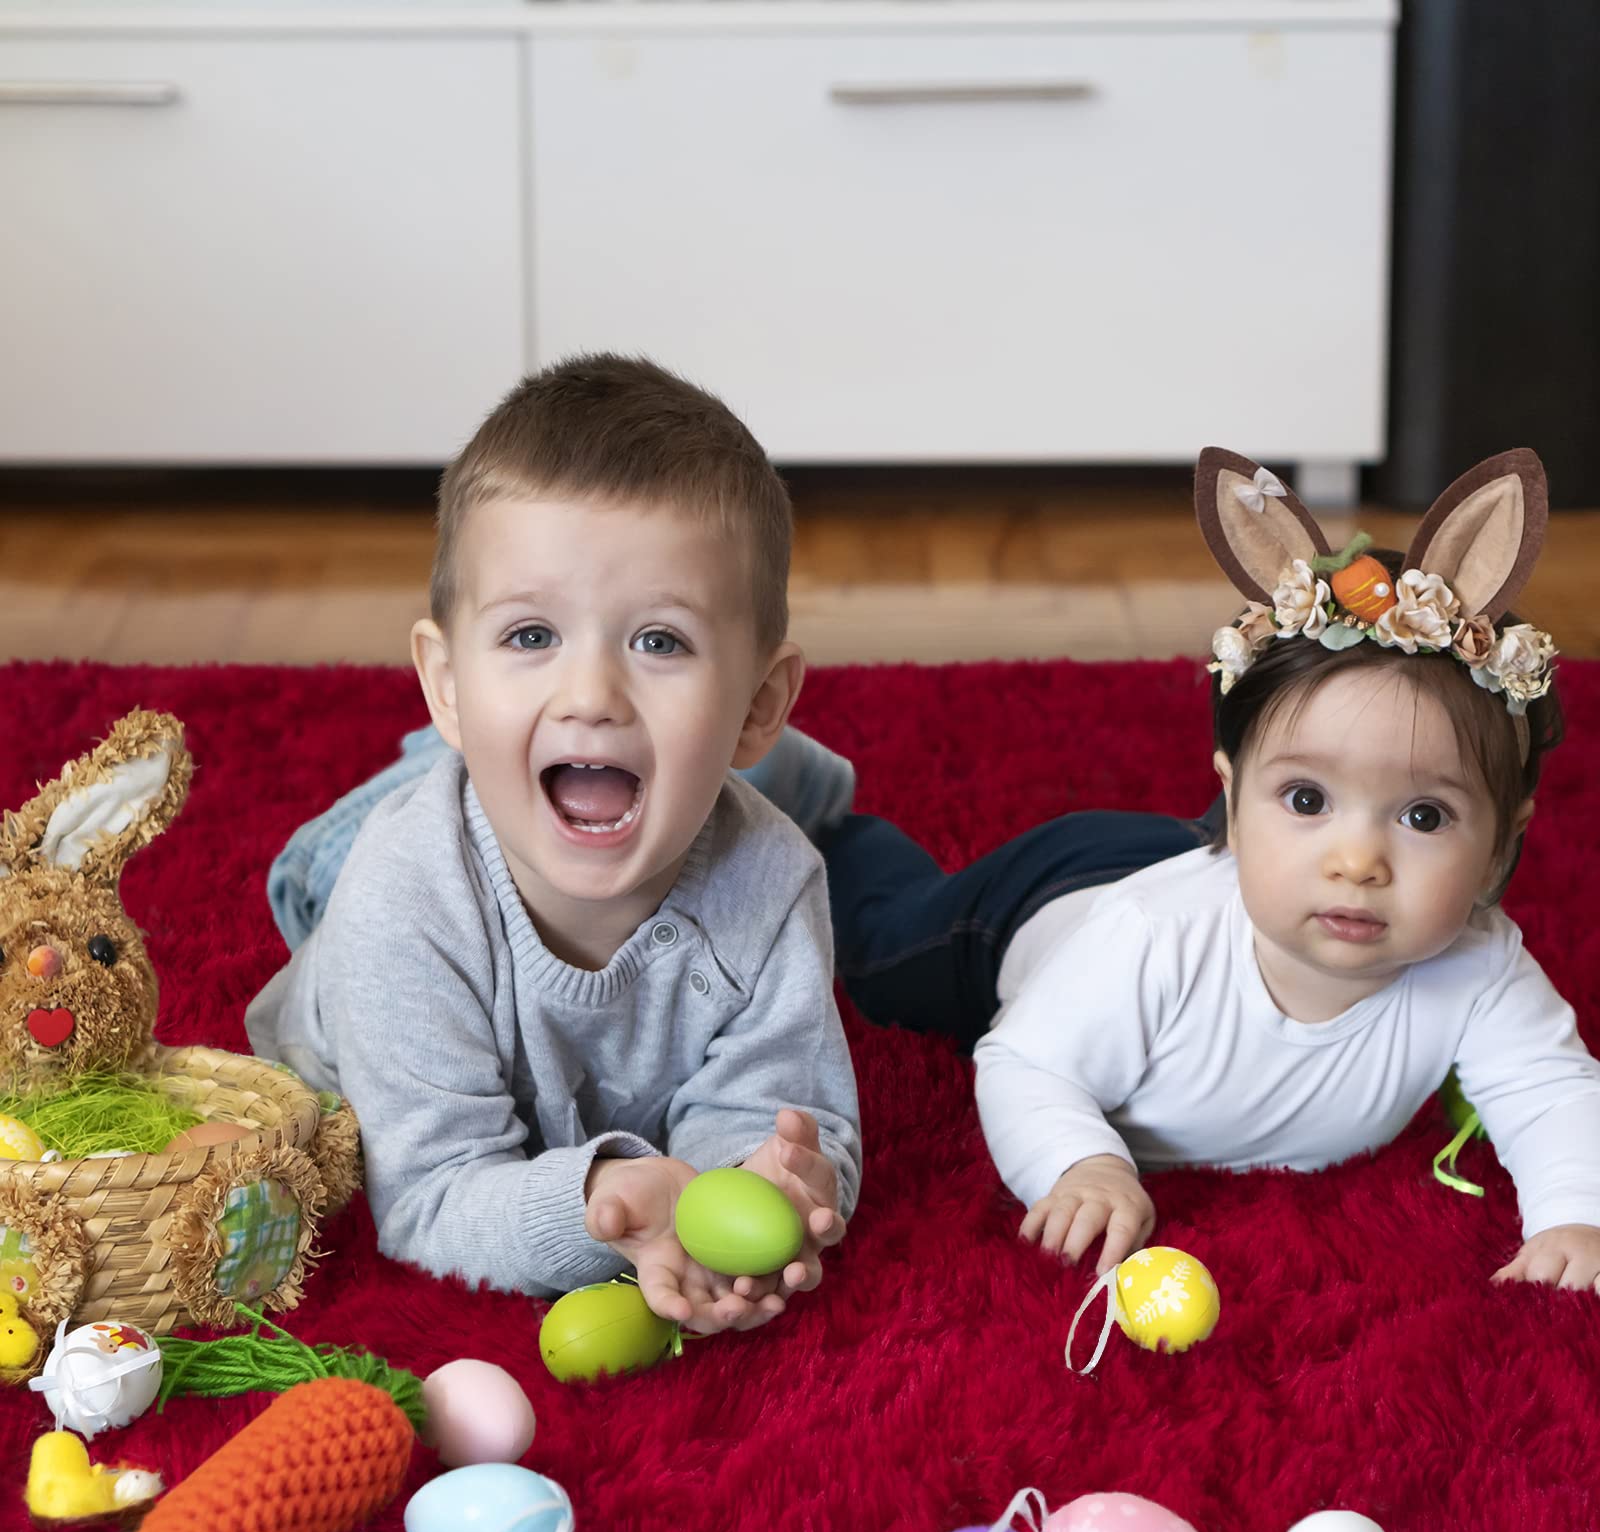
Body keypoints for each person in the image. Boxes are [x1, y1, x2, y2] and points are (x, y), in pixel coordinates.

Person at [751, 447, 1600, 1295]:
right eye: (1306, 799)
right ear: (1232, 796)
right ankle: (822, 807)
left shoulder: (1481, 965)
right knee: (880, 949)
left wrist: (1573, 1213)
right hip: (1048, 903)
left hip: (1213, 868)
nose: (1358, 862)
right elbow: (1025, 1064)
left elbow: (1553, 1089)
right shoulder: (1150, 940)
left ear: (1500, 845)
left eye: (1423, 817)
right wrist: (1081, 1164)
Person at [246, 354, 861, 1334]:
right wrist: (604, 1206)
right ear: (444, 678)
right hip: (374, 896)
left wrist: (765, 1186)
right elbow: (433, 1197)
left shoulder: (774, 882)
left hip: (598, 778)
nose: (591, 694)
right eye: (531, 635)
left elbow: (781, 1117)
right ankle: (418, 763)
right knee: (332, 862)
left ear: (760, 704)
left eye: (659, 641)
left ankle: (778, 766)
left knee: (679, 783)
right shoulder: (400, 901)